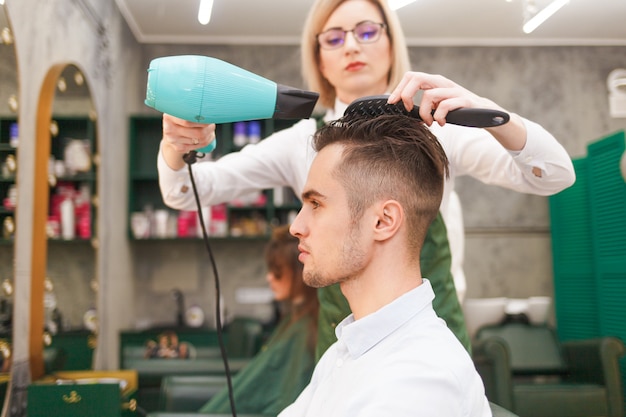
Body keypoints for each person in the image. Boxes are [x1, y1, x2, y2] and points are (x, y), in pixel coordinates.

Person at [157, 0, 575, 357]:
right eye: (334, 37)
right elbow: (186, 192)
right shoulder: (300, 142)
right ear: (318, 57)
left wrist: (488, 112)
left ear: (392, 44)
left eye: (367, 31)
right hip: (343, 344)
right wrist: (176, 148)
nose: (352, 45)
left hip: (431, 334)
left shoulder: (438, 131)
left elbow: (553, 176)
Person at [279, 112, 490, 416]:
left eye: (316, 204)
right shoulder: (346, 350)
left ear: (383, 221)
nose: (296, 226)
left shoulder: (420, 381)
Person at [198, 224, 319, 415]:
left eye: (277, 271)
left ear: (299, 270)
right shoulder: (295, 322)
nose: (269, 277)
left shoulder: (305, 331)